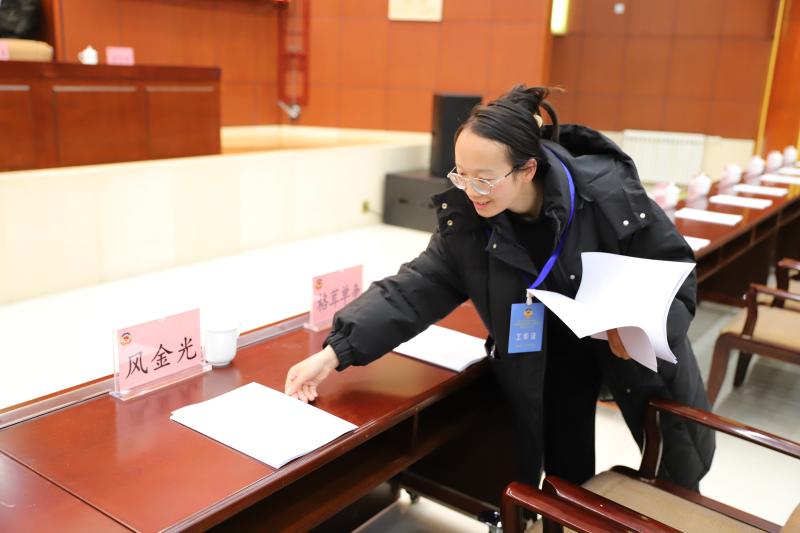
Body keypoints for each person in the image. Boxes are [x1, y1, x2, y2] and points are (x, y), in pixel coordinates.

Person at [285, 85, 715, 491]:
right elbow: (416, 286)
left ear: (527, 169)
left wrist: (642, 326)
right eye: (461, 175)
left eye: (485, 179)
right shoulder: (471, 220)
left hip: (631, 353)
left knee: (676, 474)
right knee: (566, 473)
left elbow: (675, 271)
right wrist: (336, 350)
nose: (471, 191)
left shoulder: (605, 195)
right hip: (554, 357)